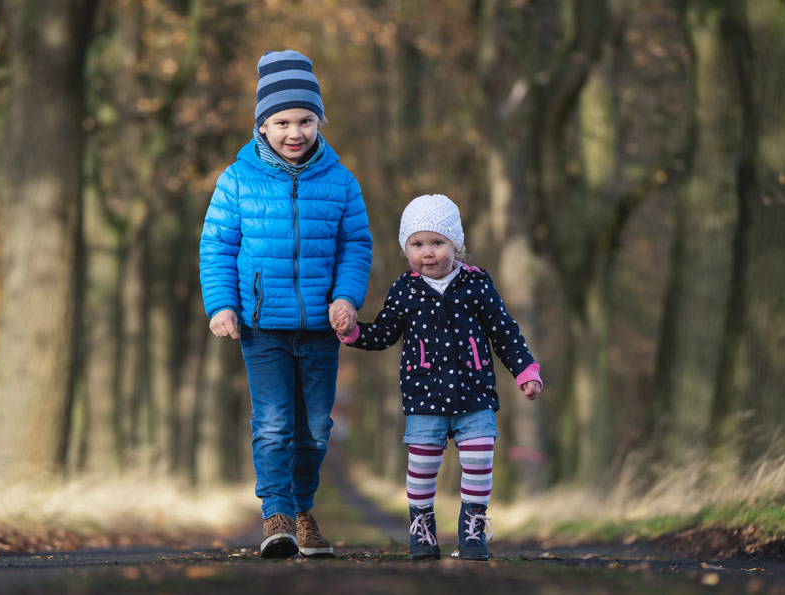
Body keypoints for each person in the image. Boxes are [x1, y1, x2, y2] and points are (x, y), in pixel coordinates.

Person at [200, 49, 373, 559]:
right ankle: (275, 513)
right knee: (274, 423)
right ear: (262, 125)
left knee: (316, 429)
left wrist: (345, 297)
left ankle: (301, 511)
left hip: (321, 327)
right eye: (281, 122)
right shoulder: (237, 180)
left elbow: (355, 245)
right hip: (262, 325)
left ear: (320, 120)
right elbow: (217, 245)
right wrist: (221, 305)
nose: (293, 132)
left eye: (305, 120)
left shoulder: (340, 181)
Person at [333, 194, 541, 561]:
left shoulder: (477, 285)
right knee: (422, 468)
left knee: (479, 463)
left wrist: (525, 370)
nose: (427, 252)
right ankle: (422, 527)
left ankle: (473, 527)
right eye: (417, 244)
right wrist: (353, 334)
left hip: (475, 393)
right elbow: (385, 333)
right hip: (423, 394)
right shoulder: (404, 290)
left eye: (437, 243)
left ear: (456, 246)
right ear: (405, 249)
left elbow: (504, 331)